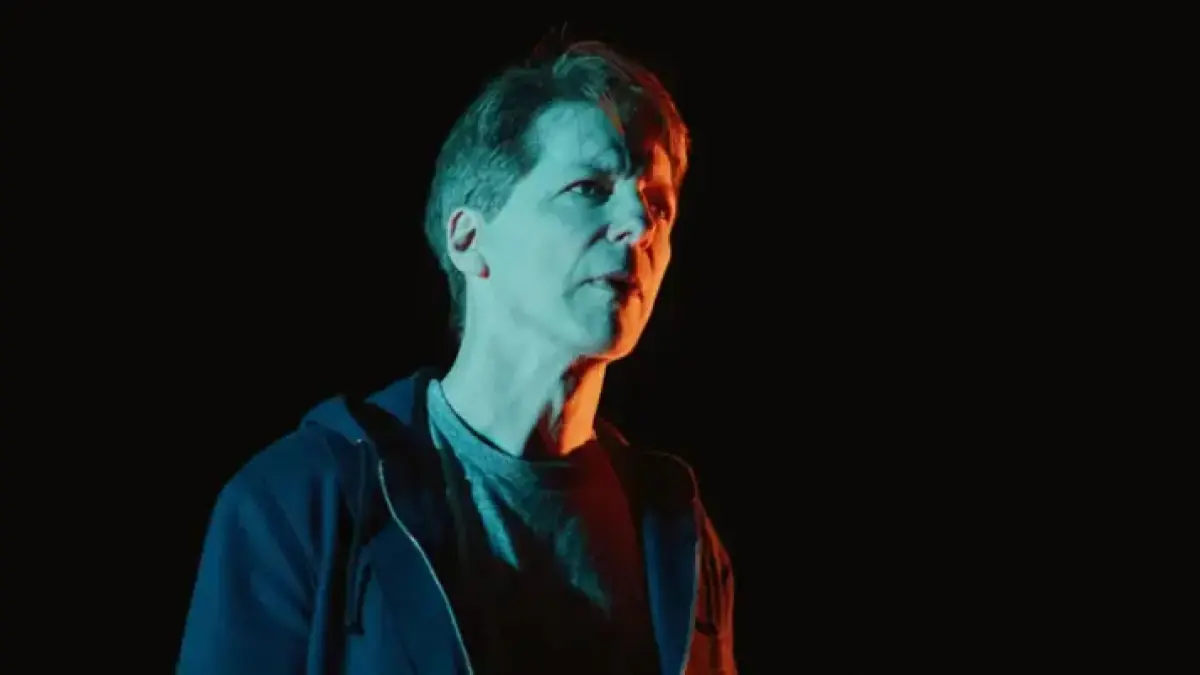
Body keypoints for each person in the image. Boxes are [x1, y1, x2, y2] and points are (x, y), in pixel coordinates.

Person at [178, 40, 736, 675]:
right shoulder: (302, 499)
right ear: (469, 239)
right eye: (589, 187)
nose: (639, 221)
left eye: (658, 203)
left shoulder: (681, 536)